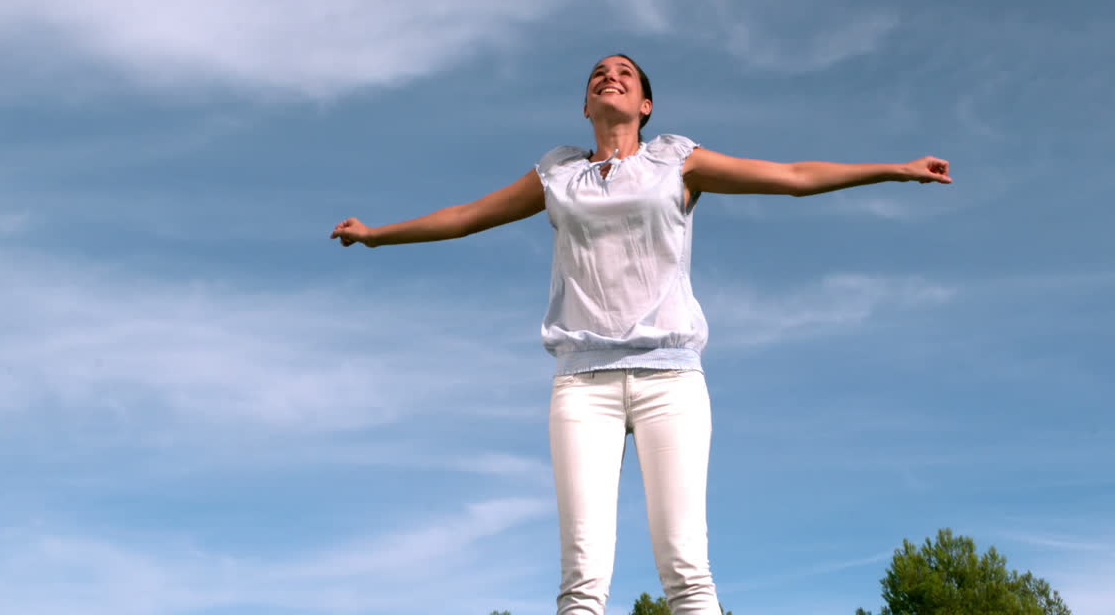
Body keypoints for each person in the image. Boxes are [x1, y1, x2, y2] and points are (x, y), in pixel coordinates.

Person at [330, 54, 952, 615]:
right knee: (581, 582)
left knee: (686, 571)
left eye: (624, 73)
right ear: (585, 105)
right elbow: (467, 216)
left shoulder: (676, 162)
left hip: (670, 378)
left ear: (645, 105)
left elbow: (790, 174)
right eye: (598, 74)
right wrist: (378, 235)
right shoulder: (557, 174)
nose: (610, 77)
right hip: (582, 384)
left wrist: (895, 170)